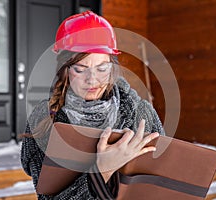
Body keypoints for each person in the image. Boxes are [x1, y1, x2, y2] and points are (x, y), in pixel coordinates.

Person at [21, 11, 164, 200]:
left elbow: (163, 184)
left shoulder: (141, 112)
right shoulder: (44, 120)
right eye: (81, 69)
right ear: (64, 70)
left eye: (102, 68)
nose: (92, 79)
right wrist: (102, 170)